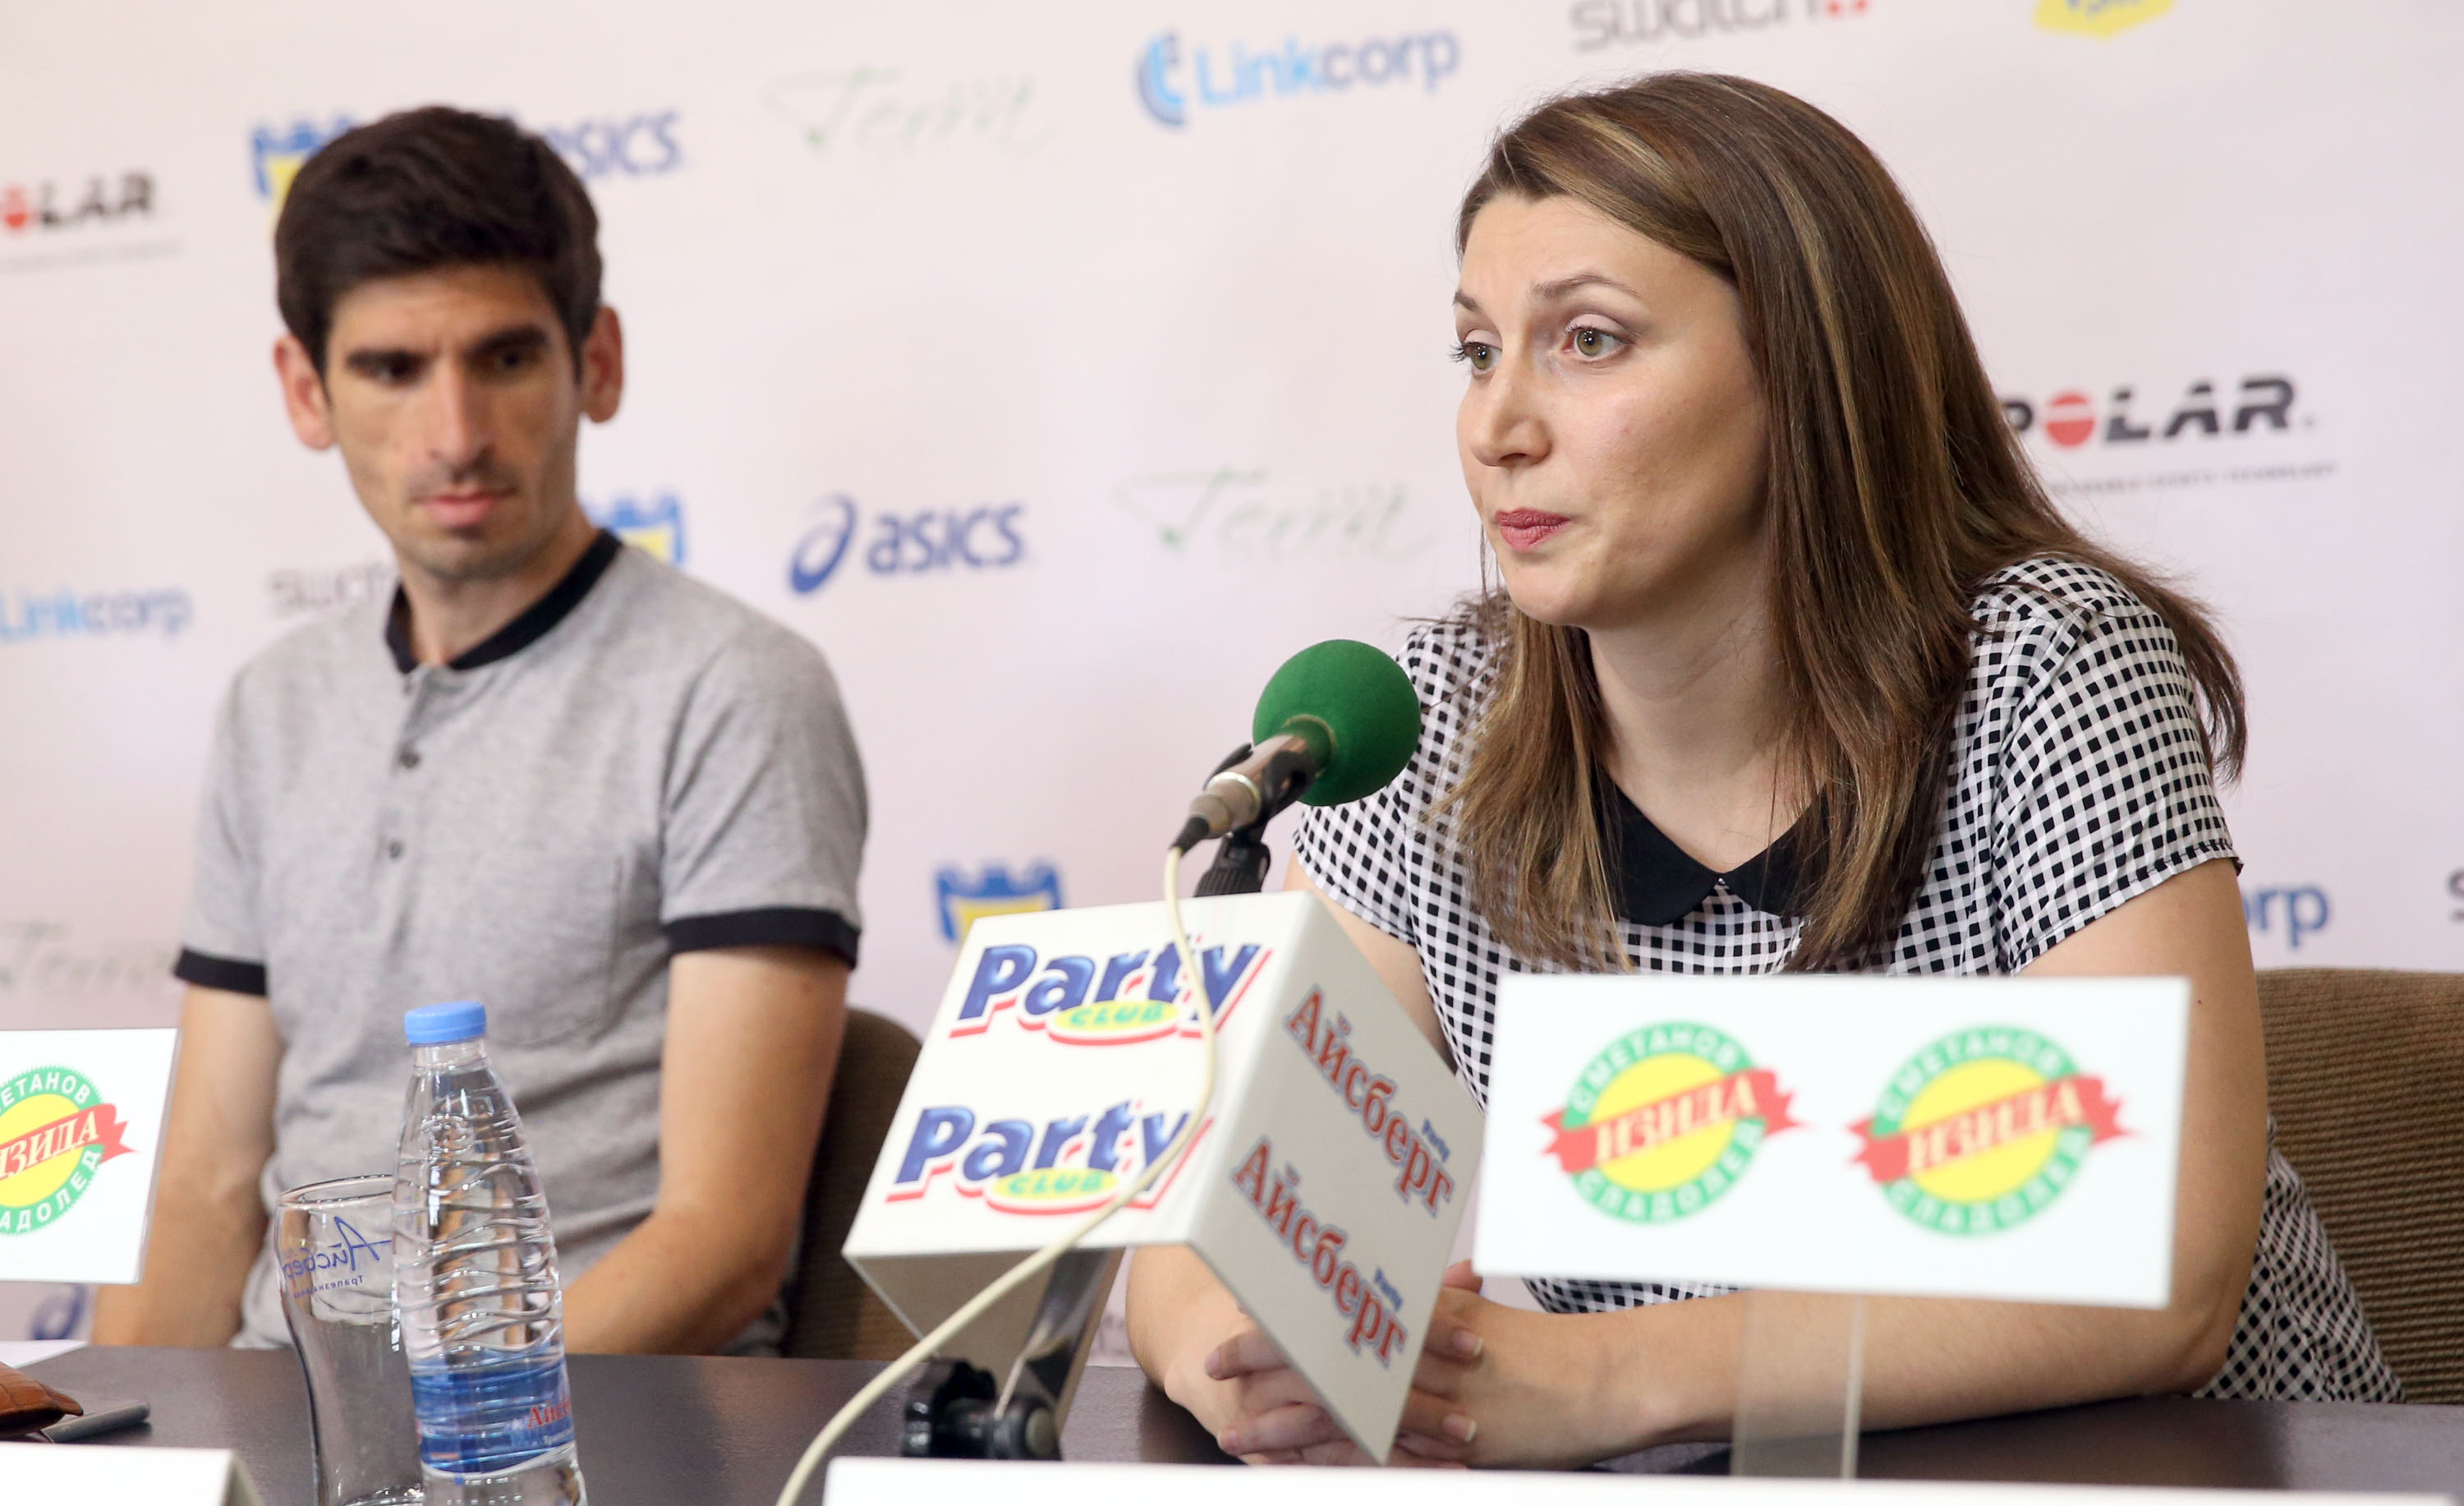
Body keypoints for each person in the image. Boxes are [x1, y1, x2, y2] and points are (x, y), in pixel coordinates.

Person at [1125, 72, 2396, 1467]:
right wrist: (1249, 1359)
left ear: (1805, 369)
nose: (1498, 426)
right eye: (1479, 351)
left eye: (1590, 341)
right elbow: (1217, 1235)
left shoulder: (2048, 665)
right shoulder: (1442, 720)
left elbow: (2162, 1278)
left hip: (2166, 1472)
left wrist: (1594, 1374)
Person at [94, 108, 867, 1356]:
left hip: (587, 1423)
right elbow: (201, 1189)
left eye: (504, 359)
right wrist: (87, 1437)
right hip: (288, 1416)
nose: (455, 434)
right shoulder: (271, 706)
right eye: (393, 369)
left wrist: (427, 1434)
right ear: (306, 390)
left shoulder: (736, 688)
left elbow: (723, 1242)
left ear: (595, 364)